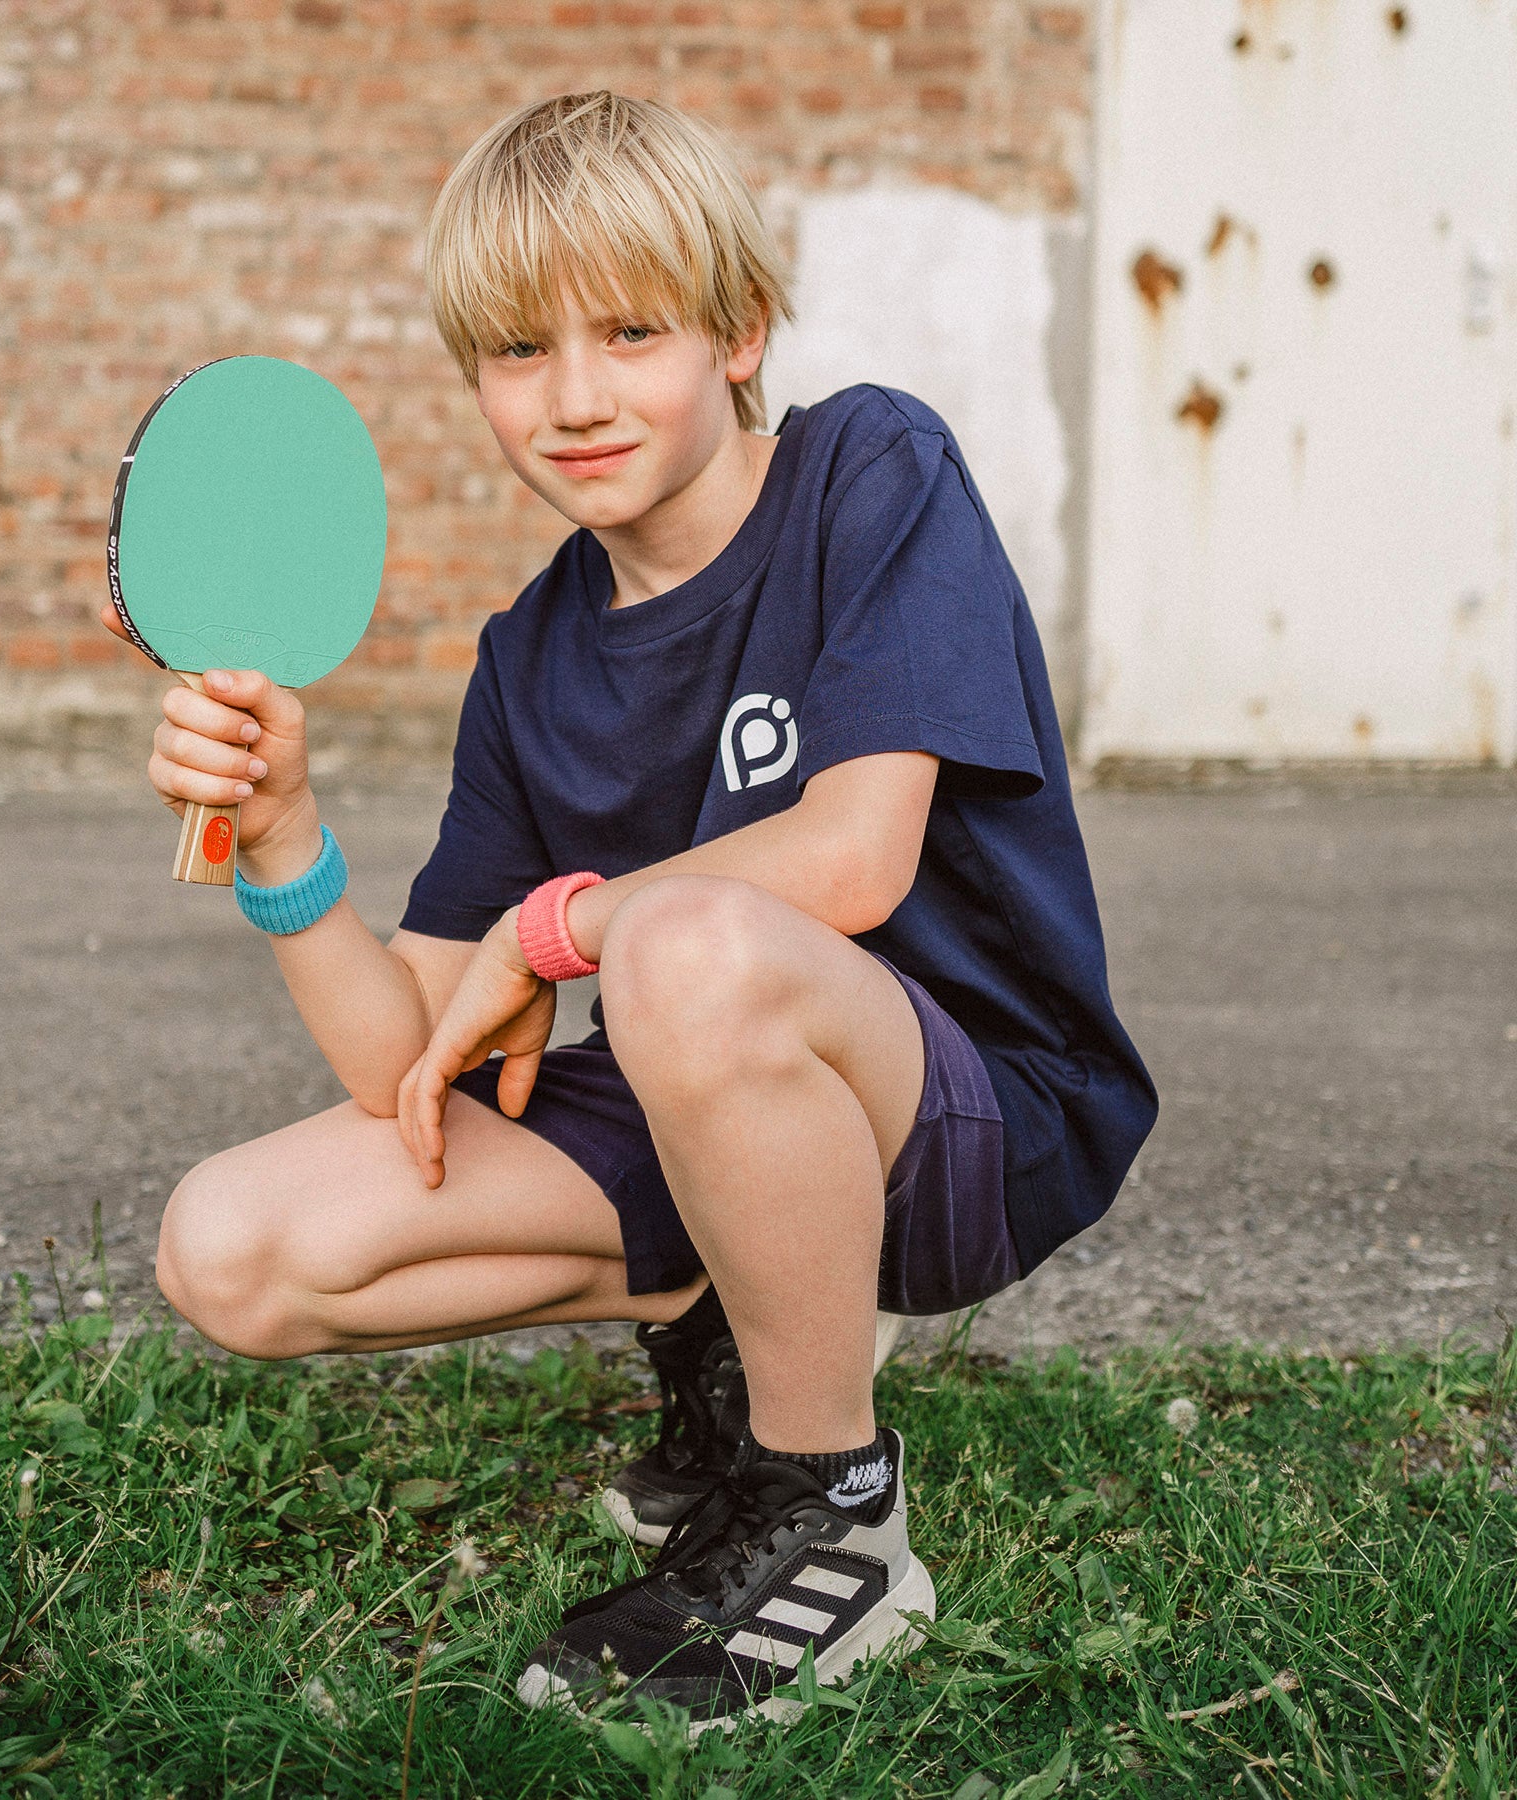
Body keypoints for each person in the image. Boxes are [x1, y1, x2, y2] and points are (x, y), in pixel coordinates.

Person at [101, 90, 1156, 1730]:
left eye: (632, 331)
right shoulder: (530, 661)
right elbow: (413, 1066)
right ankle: (731, 1325)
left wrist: (556, 930)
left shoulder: (870, 471)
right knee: (230, 1251)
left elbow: (856, 855)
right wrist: (282, 836)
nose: (574, 397)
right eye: (519, 351)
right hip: (713, 1084)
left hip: (978, 1114)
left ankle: (831, 1511)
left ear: (740, 334)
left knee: (681, 939)